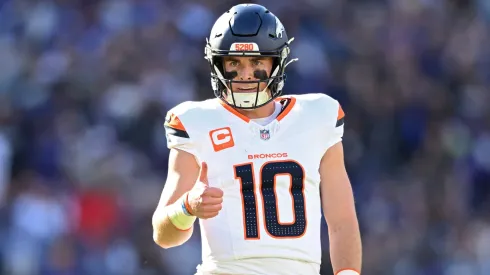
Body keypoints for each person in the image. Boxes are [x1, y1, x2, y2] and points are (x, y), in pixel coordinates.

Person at [152, 3, 362, 275]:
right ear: (217, 63)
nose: (245, 73)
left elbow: (341, 220)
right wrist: (188, 206)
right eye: (233, 62)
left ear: (277, 61)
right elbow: (164, 235)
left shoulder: (317, 116)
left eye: (257, 61)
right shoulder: (197, 122)